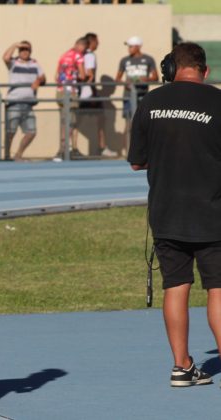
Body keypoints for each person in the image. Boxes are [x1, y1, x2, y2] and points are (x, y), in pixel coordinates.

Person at [128, 42, 221, 388]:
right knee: (218, 289)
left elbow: (137, 160)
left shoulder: (150, 102)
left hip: (167, 212)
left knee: (176, 287)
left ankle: (181, 366)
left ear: (170, 70)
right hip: (213, 211)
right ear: (205, 70)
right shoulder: (218, 101)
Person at [2, 40, 45, 161]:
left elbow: (43, 77)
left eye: (27, 49)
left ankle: (18, 154)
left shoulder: (35, 63)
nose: (24, 51)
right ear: (19, 51)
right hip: (14, 102)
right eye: (22, 49)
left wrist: (38, 81)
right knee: (10, 131)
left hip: (29, 103)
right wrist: (15, 45)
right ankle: (6, 156)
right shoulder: (14, 62)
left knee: (31, 132)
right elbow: (5, 57)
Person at [116, 36, 157, 156]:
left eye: (131, 46)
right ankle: (127, 152)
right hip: (129, 96)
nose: (129, 49)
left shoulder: (148, 59)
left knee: (145, 124)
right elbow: (117, 78)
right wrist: (126, 83)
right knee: (129, 124)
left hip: (143, 96)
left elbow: (155, 77)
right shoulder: (124, 60)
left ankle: (146, 152)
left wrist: (146, 79)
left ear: (138, 46)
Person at [54, 37, 87, 161]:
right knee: (71, 121)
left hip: (60, 91)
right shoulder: (78, 56)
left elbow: (56, 76)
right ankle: (63, 150)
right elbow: (83, 75)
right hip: (71, 92)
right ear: (82, 46)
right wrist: (81, 78)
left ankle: (63, 149)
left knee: (64, 121)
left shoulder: (64, 55)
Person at [78, 32, 110, 157]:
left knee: (76, 121)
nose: (98, 44)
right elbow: (89, 75)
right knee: (100, 118)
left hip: (81, 92)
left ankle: (70, 147)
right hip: (89, 93)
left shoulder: (79, 55)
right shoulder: (90, 55)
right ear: (91, 42)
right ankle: (102, 147)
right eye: (97, 41)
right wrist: (92, 92)